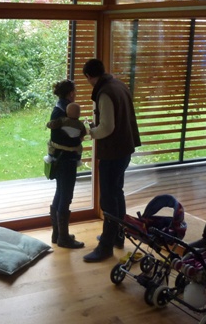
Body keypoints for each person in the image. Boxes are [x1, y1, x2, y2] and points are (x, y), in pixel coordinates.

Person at [81, 58, 141, 262]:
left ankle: (105, 246)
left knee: (108, 199)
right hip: (124, 149)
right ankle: (118, 236)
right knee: (117, 193)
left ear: (89, 76)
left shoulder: (105, 92)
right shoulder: (119, 85)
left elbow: (107, 127)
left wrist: (89, 131)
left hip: (113, 152)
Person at [45, 80, 85, 249]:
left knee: (60, 193)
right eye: (75, 91)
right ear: (70, 93)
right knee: (66, 196)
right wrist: (78, 140)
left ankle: (57, 234)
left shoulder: (60, 109)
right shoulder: (63, 112)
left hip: (59, 159)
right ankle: (63, 238)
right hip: (66, 160)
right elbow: (61, 138)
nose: (76, 94)